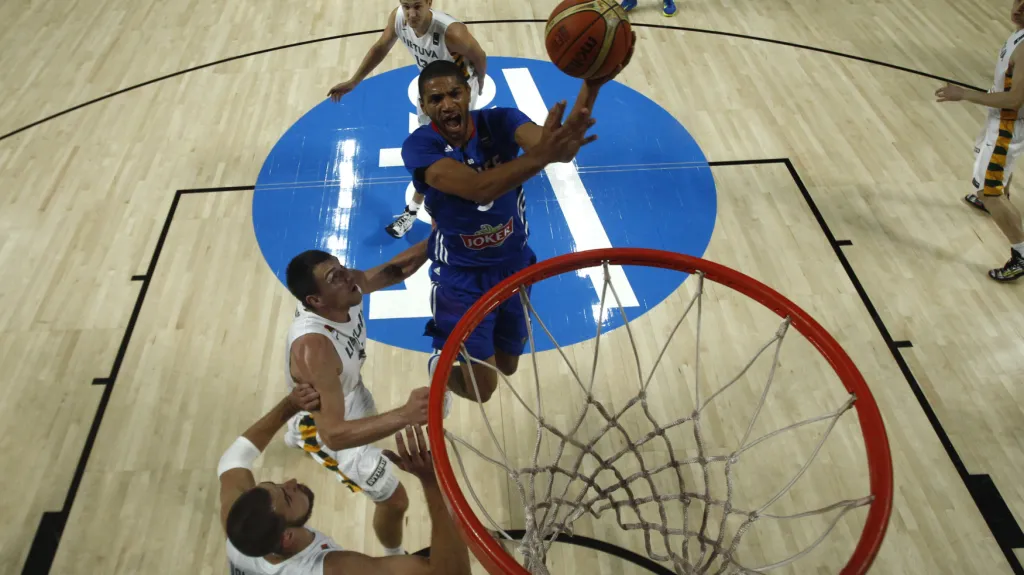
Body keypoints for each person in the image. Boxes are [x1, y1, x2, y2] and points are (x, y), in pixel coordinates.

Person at [400, 37, 636, 405]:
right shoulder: (419, 147)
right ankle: (440, 366)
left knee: (507, 366)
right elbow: (478, 188)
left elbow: (559, 149)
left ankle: (473, 352)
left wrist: (591, 86)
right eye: (435, 100)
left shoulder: (500, 120)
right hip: (460, 277)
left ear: (468, 94)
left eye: (454, 94)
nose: (447, 104)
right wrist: (545, 153)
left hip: (514, 266)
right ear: (424, 107)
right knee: (483, 391)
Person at [280, 239, 448, 557]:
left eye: (340, 267)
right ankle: (393, 557)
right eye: (334, 277)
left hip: (346, 392)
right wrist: (406, 413)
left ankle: (295, 434)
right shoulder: (314, 349)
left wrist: (441, 235)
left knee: (329, 400)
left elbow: (396, 270)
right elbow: (336, 433)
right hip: (328, 427)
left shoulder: (343, 289)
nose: (346, 275)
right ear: (315, 300)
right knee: (394, 498)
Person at [217, 391, 473, 575]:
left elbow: (232, 460)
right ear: (286, 537)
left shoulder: (239, 528)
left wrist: (290, 405)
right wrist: (431, 482)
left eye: (277, 484)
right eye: (287, 496)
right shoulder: (334, 568)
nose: (292, 481)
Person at [327, 0, 489, 240]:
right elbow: (381, 47)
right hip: (429, 90)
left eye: (417, 6)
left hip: (456, 93)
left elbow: (479, 55)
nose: (411, 14)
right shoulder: (398, 19)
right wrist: (354, 81)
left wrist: (479, 84)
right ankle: (421, 209)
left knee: (448, 151)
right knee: (429, 153)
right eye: (406, 6)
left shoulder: (452, 32)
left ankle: (427, 207)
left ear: (429, 3)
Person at [935, 0, 1024, 282]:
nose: (1019, 7)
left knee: (989, 189)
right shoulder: (1019, 33)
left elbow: (1014, 99)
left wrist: (964, 94)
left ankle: (1021, 253)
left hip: (1008, 123)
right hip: (1002, 119)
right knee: (996, 176)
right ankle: (997, 200)